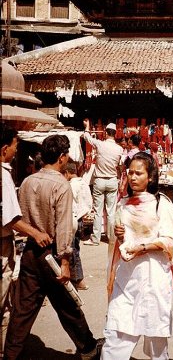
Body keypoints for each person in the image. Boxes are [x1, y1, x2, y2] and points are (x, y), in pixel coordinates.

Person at [4, 134, 101, 360]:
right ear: (61, 157)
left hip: (30, 252)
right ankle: (88, 348)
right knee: (68, 306)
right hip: (53, 255)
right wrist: (66, 262)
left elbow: (21, 218)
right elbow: (65, 228)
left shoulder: (28, 181)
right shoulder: (61, 185)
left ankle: (11, 354)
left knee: (22, 311)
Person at [102, 152, 173, 360]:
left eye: (139, 173)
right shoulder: (122, 204)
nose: (133, 177)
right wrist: (120, 237)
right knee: (117, 332)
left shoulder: (161, 204)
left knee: (156, 337)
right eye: (130, 172)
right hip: (126, 279)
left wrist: (143, 247)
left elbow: (171, 242)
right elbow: (120, 245)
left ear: (150, 177)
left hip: (154, 278)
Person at [1, 127, 52, 345]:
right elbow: (9, 218)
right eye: (15, 146)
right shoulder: (3, 176)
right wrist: (36, 233)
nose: (15, 150)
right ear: (4, 149)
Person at [82, 119, 123, 245]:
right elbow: (120, 167)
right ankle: (111, 238)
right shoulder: (119, 149)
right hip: (112, 181)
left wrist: (87, 126)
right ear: (115, 134)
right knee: (111, 212)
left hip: (99, 181)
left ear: (105, 133)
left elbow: (86, 137)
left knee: (98, 211)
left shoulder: (100, 144)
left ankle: (95, 239)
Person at [64, 161, 93, 290]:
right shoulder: (84, 184)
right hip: (82, 219)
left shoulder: (71, 186)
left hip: (74, 219)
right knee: (76, 248)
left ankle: (78, 279)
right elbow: (89, 202)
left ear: (67, 173)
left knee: (73, 250)